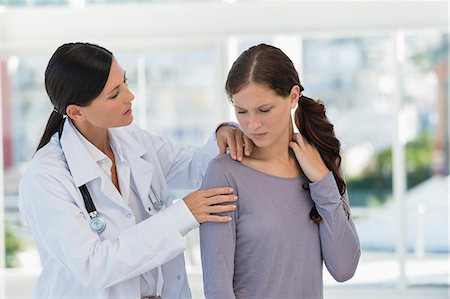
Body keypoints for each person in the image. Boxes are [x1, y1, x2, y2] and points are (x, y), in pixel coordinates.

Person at [18, 42, 254, 299]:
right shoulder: (45, 177)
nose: (130, 96)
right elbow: (93, 267)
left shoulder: (132, 141)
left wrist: (223, 133)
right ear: (76, 112)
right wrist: (182, 215)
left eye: (125, 82)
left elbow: (197, 165)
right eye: (114, 94)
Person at [199, 44, 361, 299]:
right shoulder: (224, 174)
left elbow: (344, 268)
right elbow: (217, 287)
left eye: (264, 110)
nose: (253, 124)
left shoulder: (321, 165)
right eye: (241, 111)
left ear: (293, 96)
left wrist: (322, 182)